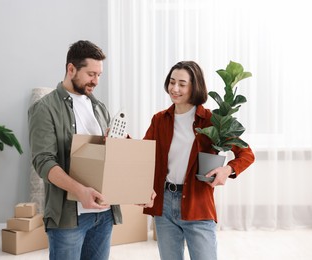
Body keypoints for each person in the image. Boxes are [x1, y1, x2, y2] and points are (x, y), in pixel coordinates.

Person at [143, 61, 255, 260]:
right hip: (165, 205)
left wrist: (228, 169)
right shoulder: (159, 120)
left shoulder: (214, 121)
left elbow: (246, 154)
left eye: (182, 84)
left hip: (198, 204)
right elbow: (141, 154)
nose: (174, 89)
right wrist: (120, 141)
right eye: (172, 82)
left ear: (195, 87)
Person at [28, 40, 122, 260]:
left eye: (99, 75)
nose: (96, 81)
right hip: (69, 217)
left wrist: (118, 144)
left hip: (103, 213)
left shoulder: (99, 108)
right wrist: (80, 191)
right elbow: (44, 162)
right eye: (91, 74)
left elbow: (105, 157)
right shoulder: (44, 109)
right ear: (71, 69)